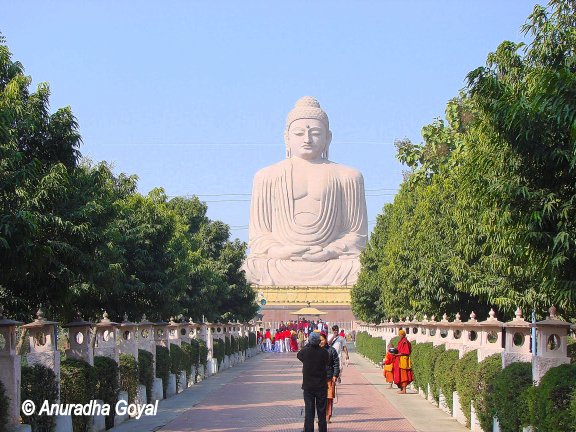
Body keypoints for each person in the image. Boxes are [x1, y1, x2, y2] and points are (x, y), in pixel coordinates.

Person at [243, 96, 368, 286]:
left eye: (316, 133)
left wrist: (330, 251)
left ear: (328, 138)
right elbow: (259, 236)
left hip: (331, 264)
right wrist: (281, 251)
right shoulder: (266, 176)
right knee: (248, 269)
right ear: (287, 137)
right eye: (299, 133)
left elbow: (356, 236)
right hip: (281, 263)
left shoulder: (348, 176)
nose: (307, 139)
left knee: (361, 269)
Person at [297, 331, 329, 432]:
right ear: (319, 341)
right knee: (322, 412)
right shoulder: (324, 352)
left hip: (308, 387)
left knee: (309, 412)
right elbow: (327, 361)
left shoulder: (305, 352)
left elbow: (299, 355)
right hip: (321, 386)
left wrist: (309, 344)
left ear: (310, 341)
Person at [319, 332, 340, 424]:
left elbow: (336, 363)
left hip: (329, 378)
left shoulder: (331, 350)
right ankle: (321, 416)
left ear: (326, 340)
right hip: (318, 379)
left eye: (322, 340)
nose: (321, 342)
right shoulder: (315, 351)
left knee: (329, 398)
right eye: (319, 340)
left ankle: (328, 416)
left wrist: (335, 375)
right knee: (320, 399)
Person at [393, 329, 414, 394]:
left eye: (400, 335)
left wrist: (397, 354)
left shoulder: (405, 342)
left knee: (403, 375)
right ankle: (402, 389)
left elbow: (406, 352)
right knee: (400, 375)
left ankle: (404, 390)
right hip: (399, 359)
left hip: (403, 360)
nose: (399, 336)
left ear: (403, 335)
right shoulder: (401, 341)